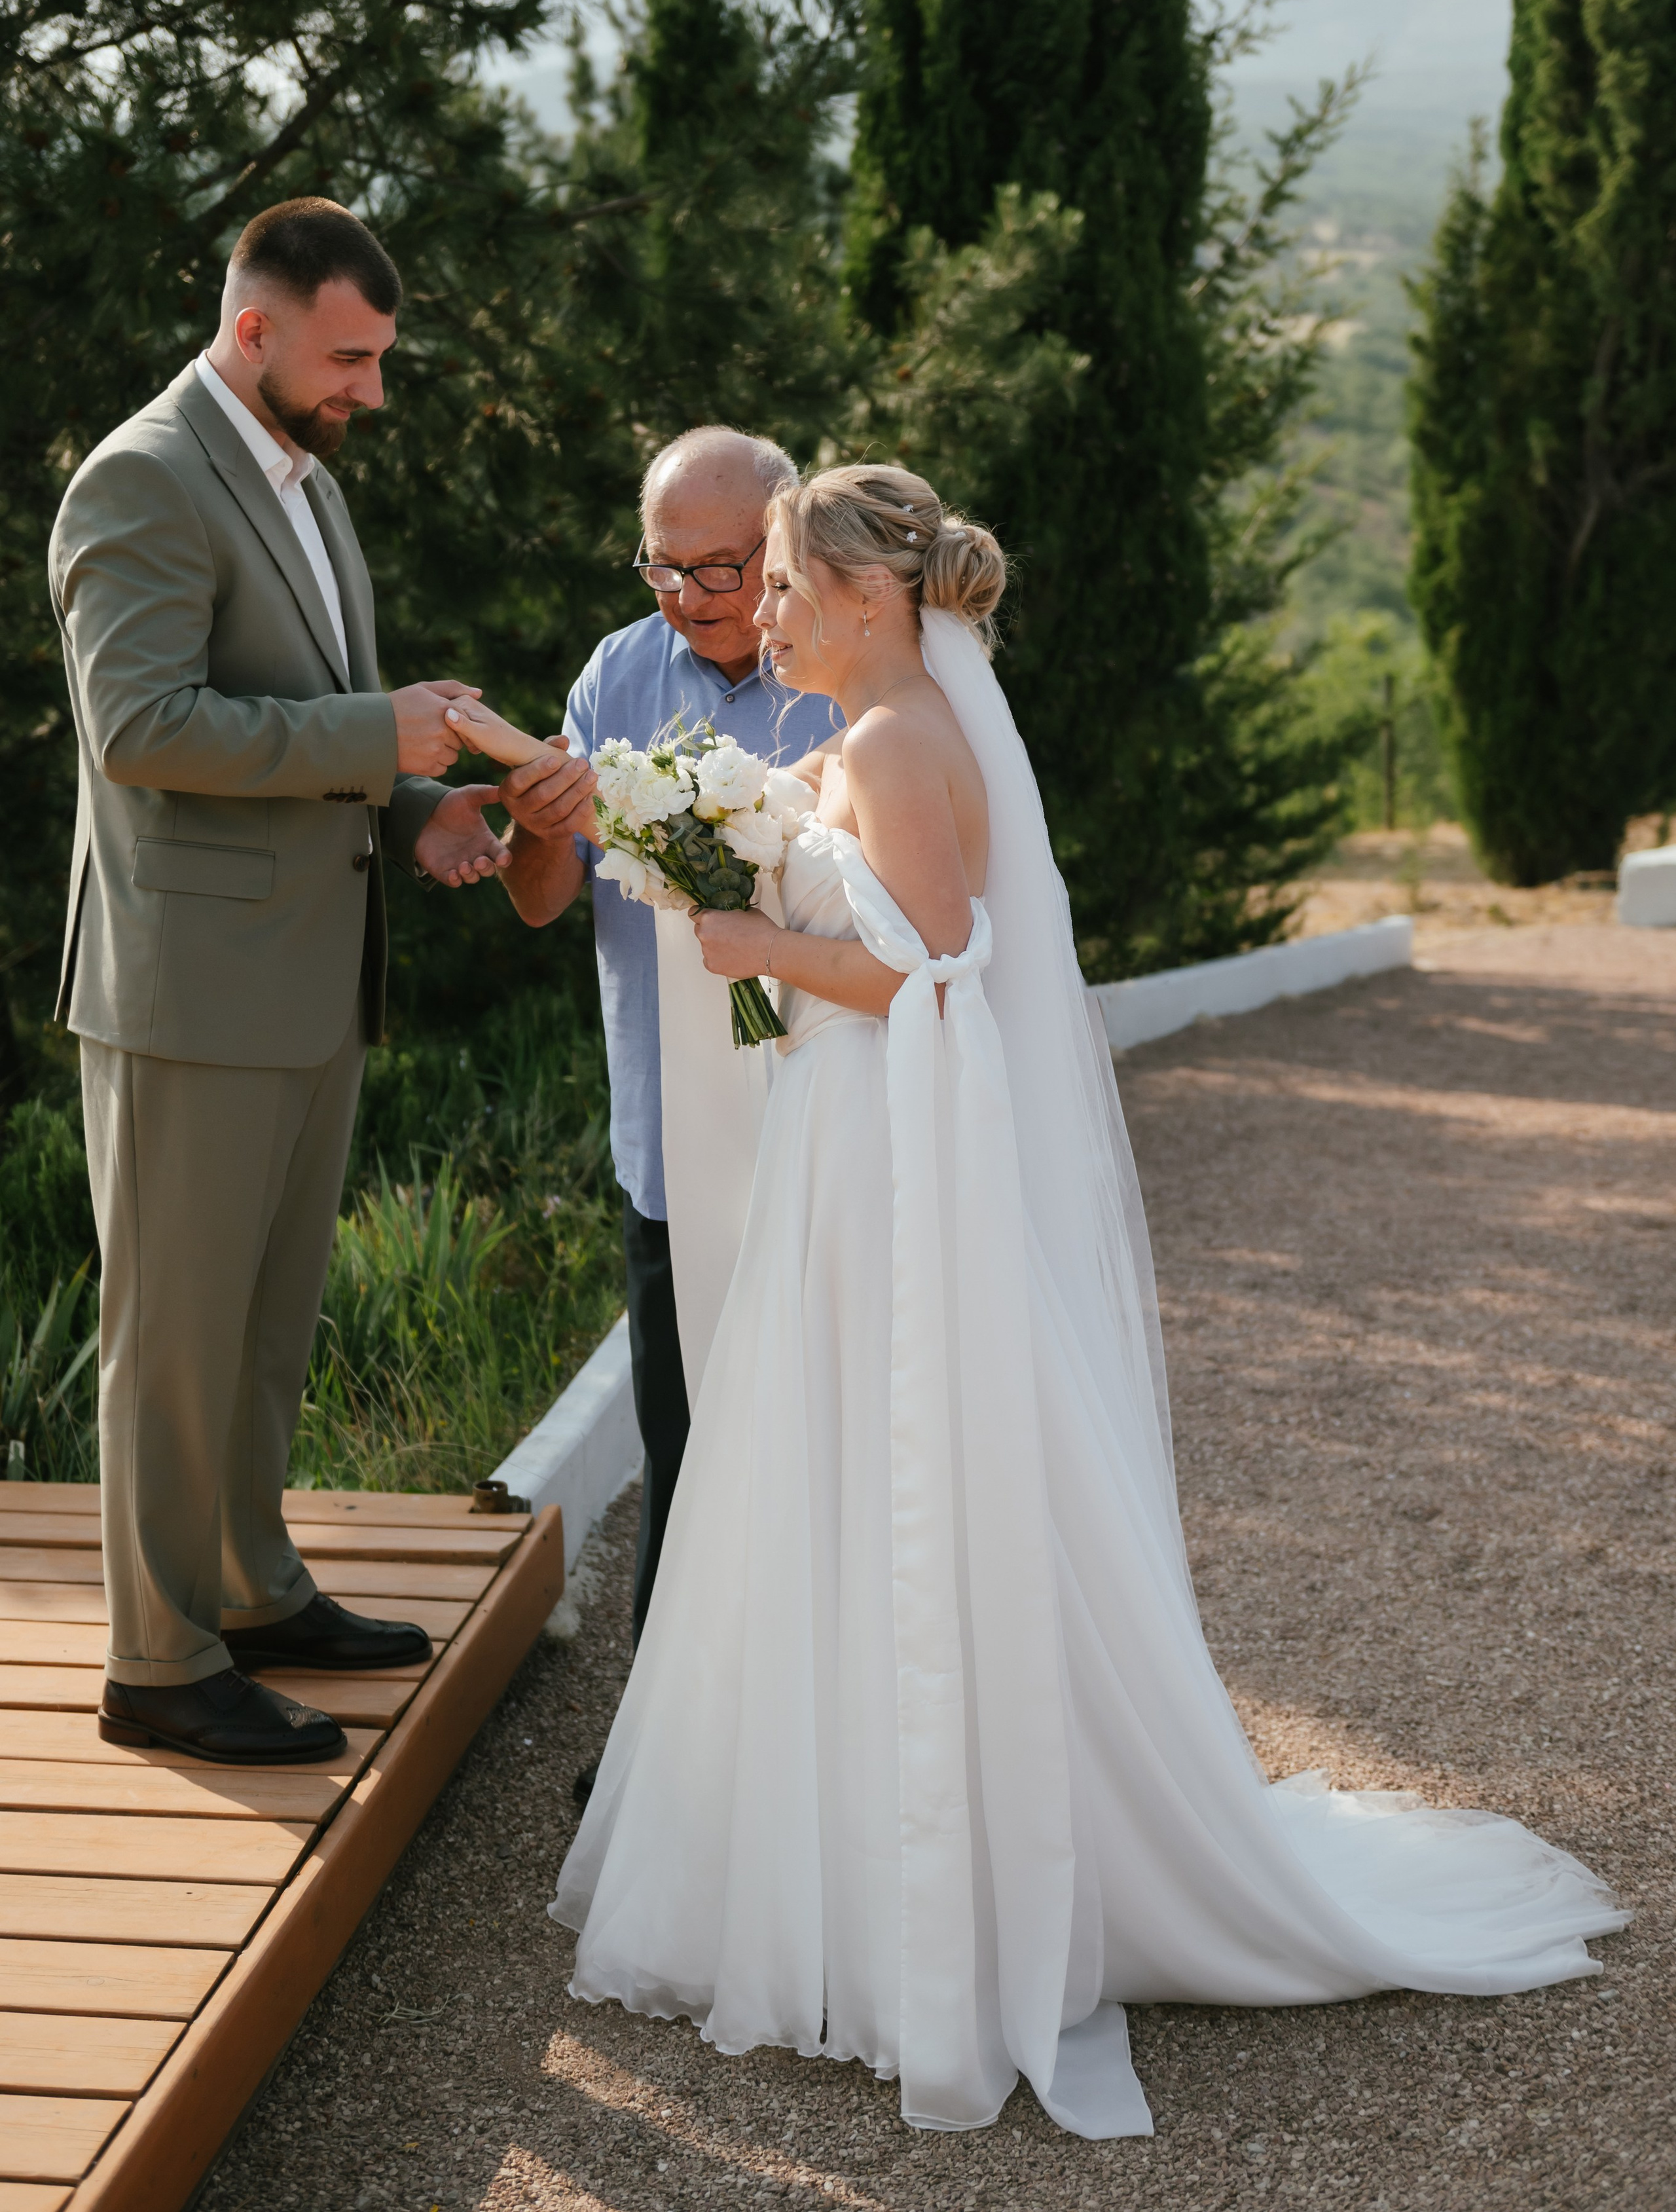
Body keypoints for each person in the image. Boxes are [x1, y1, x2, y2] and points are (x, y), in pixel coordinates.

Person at [548, 464, 1624, 2140]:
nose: (756, 619)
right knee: (827, 1482)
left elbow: (934, 960)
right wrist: (708, 866)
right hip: (845, 1138)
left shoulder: (904, 740)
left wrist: (757, 945)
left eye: (774, 588)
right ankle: (831, 1860)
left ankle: (926, 1884)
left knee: (903, 1485)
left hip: (888, 1140)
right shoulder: (863, 734)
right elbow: (833, 879)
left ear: (862, 591)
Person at [50, 198, 511, 1767]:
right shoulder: (140, 477)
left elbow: (307, 710)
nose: (372, 389)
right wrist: (376, 738)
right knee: (174, 1337)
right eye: (351, 356)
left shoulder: (297, 478)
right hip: (189, 989)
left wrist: (416, 800)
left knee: (261, 1325)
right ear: (256, 329)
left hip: (308, 978)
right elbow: (144, 726)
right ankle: (156, 1661)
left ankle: (248, 1587)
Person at [497, 428, 834, 1651]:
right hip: (671, 1154)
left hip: (837, 1124)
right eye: (662, 567)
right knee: (684, 1458)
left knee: (839, 1457)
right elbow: (540, 899)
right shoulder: (617, 674)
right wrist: (540, 826)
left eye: (723, 570)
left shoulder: (852, 667)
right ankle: (671, 1780)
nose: (689, 600)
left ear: (784, 543)